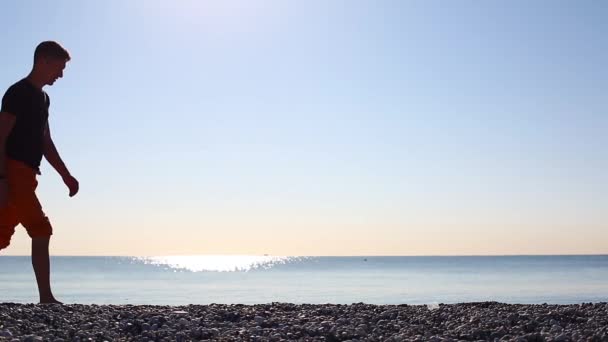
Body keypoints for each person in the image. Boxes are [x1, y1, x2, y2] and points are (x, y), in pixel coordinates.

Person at [0, 41, 79, 304]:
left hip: (28, 176)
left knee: (0, 235)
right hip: (13, 172)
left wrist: (65, 175)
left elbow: (45, 141)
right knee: (41, 228)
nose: (61, 74)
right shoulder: (17, 93)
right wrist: (1, 180)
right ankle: (46, 297)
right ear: (44, 60)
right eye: (60, 67)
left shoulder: (44, 98)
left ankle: (46, 296)